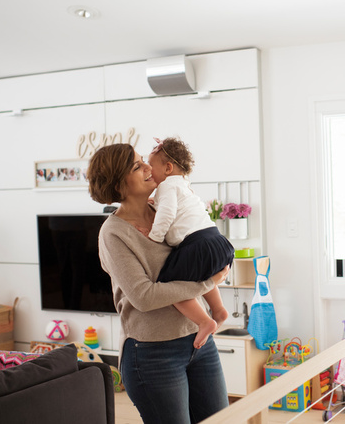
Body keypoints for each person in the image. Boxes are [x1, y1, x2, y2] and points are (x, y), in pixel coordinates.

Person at [87, 143, 230, 424]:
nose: (148, 168)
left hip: (199, 344)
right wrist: (207, 284)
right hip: (152, 355)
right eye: (137, 166)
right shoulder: (113, 233)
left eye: (144, 161)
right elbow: (144, 296)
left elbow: (196, 256)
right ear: (119, 183)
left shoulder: (164, 209)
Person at [148, 137, 234, 349]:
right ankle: (219, 309)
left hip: (196, 244)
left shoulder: (167, 186)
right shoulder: (182, 185)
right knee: (200, 273)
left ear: (168, 168)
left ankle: (204, 321)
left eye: (151, 167)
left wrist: (154, 238)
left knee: (170, 286)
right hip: (216, 240)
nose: (149, 173)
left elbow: (167, 214)